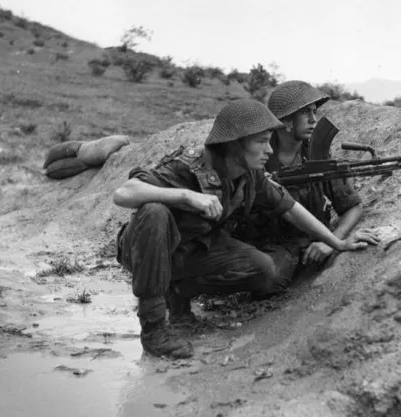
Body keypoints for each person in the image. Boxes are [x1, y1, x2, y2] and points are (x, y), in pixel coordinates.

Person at [113, 99, 378, 359]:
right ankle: (154, 332)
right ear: (235, 144)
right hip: (145, 249)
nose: (269, 150)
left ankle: (177, 292)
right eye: (261, 142)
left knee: (264, 269)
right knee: (154, 211)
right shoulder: (187, 166)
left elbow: (290, 208)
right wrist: (186, 196)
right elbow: (125, 193)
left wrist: (336, 242)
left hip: (190, 251)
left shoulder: (250, 174)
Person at [234, 81, 376, 290]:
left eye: (314, 112)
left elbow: (352, 207)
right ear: (287, 120)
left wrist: (330, 242)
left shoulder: (316, 155)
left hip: (305, 238)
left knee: (268, 279)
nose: (313, 119)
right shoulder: (260, 153)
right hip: (262, 239)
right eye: (305, 113)